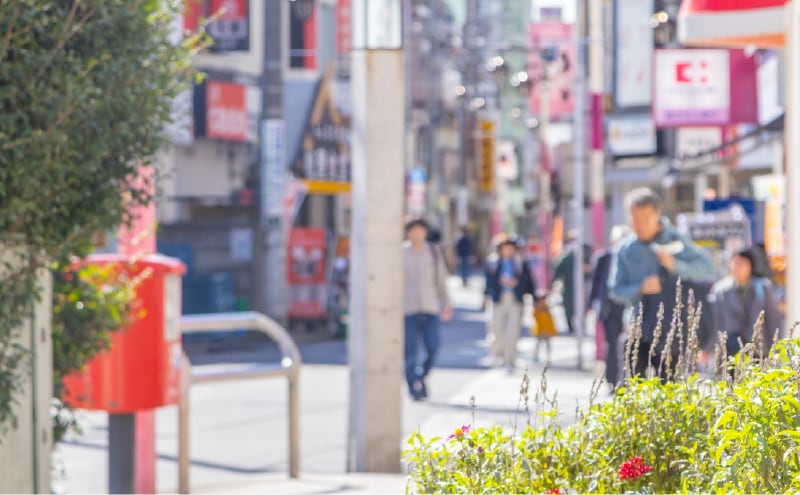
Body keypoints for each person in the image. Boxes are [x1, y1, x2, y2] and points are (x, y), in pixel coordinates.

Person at [609, 187, 716, 380]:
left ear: (657, 215)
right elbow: (615, 290)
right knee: (629, 389)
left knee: (669, 390)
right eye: (634, 219)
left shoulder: (676, 240)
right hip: (636, 327)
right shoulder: (625, 249)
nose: (639, 225)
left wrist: (676, 265)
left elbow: (709, 268)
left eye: (645, 219)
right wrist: (640, 288)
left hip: (671, 330)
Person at [705, 249, 783, 364]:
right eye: (735, 262)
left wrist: (776, 349)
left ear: (751, 266)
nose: (738, 267)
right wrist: (709, 349)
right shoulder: (720, 291)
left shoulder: (762, 287)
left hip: (758, 350)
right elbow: (716, 323)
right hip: (732, 350)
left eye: (742, 263)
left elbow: (773, 320)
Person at [404, 219, 453, 401]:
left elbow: (441, 280)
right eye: (413, 230)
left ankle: (420, 377)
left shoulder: (433, 252)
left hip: (429, 307)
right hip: (407, 309)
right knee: (410, 353)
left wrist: (446, 303)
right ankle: (413, 388)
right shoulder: (401, 253)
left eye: (420, 230)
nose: (417, 234)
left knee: (433, 347)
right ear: (408, 233)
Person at [484, 237, 536, 373]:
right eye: (505, 247)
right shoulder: (493, 262)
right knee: (496, 329)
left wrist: (516, 283)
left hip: (515, 299)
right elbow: (488, 283)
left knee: (513, 331)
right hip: (498, 299)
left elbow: (528, 281)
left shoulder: (520, 262)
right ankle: (498, 354)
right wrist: (498, 283)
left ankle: (509, 359)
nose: (508, 250)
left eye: (511, 247)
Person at [589, 225, 630, 390]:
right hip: (608, 309)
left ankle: (626, 379)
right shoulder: (604, 258)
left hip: (627, 307)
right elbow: (596, 284)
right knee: (612, 345)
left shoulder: (630, 258)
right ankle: (613, 380)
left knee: (626, 345)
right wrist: (591, 305)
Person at [551, 230, 592, 334]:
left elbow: (591, 270)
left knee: (582, 307)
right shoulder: (565, 256)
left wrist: (586, 268)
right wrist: (552, 285)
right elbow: (558, 271)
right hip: (568, 287)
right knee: (568, 308)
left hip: (581, 287)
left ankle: (582, 326)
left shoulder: (585, 253)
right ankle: (570, 327)